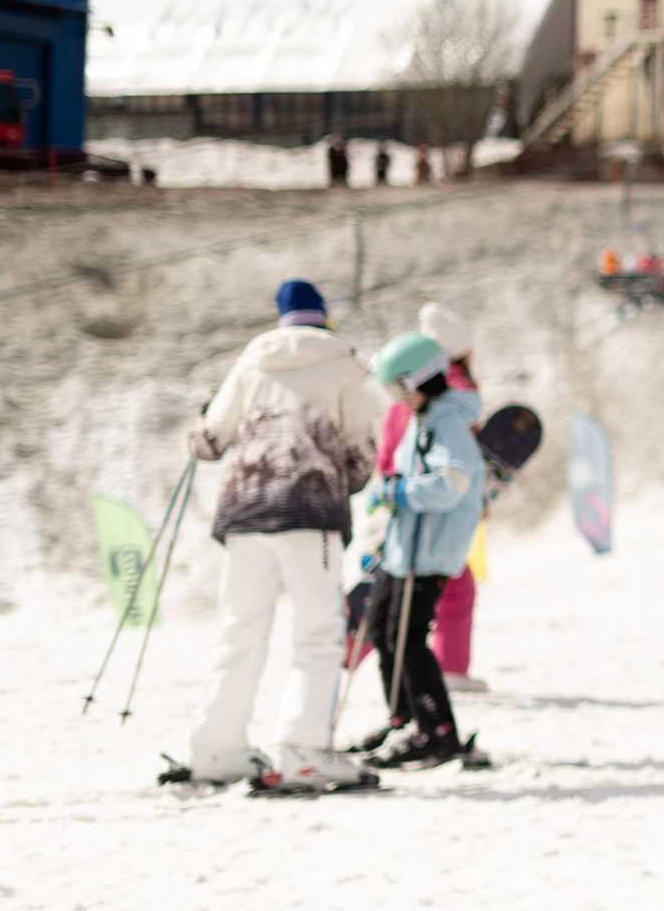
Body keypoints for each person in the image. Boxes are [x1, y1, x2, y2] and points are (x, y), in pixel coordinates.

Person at [166, 279, 383, 792]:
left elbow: (208, 442)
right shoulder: (343, 362)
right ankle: (303, 749)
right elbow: (361, 455)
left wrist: (204, 423)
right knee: (316, 631)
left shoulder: (250, 360)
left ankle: (217, 749)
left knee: (240, 629)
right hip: (311, 513)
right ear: (322, 316)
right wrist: (340, 483)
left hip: (245, 513)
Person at [356, 332, 480, 768]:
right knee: (382, 635)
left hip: (428, 554)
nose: (395, 400)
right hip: (403, 551)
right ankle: (405, 719)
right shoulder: (423, 421)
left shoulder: (447, 422)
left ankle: (438, 731)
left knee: (407, 641)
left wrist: (401, 493)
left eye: (396, 389)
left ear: (416, 383)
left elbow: (452, 483)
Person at [417, 303, 487, 692]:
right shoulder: (456, 388)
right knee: (452, 584)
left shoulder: (413, 385)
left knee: (409, 583)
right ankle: (451, 670)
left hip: (414, 493)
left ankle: (346, 649)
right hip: (442, 498)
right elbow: (462, 454)